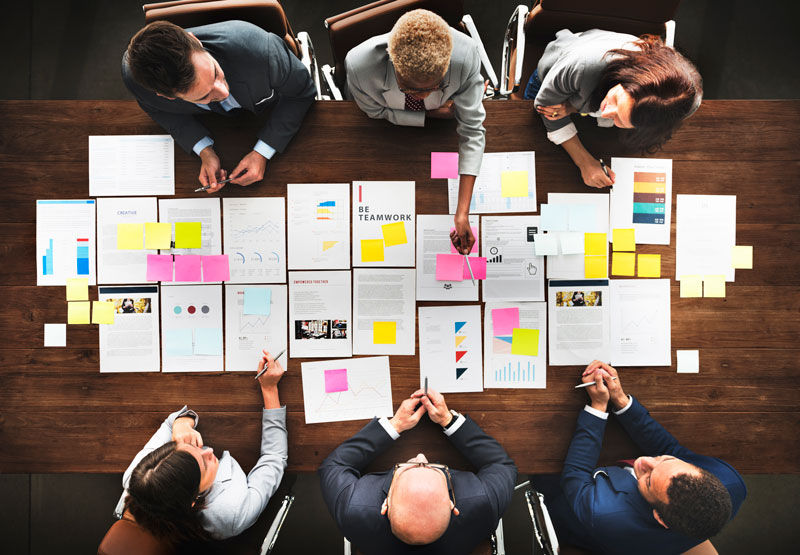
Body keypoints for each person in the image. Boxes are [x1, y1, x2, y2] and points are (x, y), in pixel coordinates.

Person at [533, 360, 745, 554]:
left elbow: (575, 472)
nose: (644, 461)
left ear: (659, 517)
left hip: (581, 521)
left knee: (543, 465)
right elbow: (670, 447)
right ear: (700, 471)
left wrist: (598, 406)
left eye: (649, 480)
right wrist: (620, 400)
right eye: (666, 460)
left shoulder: (604, 513)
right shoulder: (729, 482)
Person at [345, 9, 486, 254]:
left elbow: (473, 131)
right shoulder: (360, 67)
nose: (423, 96)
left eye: (435, 86)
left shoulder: (466, 56)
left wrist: (462, 213)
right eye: (410, 88)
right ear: (392, 62)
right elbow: (374, 112)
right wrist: (428, 114)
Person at [113, 350, 288, 546]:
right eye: (204, 465)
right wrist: (270, 390)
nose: (209, 451)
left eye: (185, 448)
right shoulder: (232, 513)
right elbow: (274, 457)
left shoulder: (140, 477)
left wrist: (182, 424)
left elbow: (171, 423)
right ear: (194, 500)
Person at [122, 20, 316, 193]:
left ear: (195, 41)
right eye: (204, 96)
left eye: (215, 73)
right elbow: (158, 110)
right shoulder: (138, 83)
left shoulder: (260, 51)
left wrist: (262, 152)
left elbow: (302, 91)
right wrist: (205, 151)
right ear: (166, 96)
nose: (223, 92)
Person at [319, 387, 517, 554]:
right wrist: (448, 419)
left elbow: (335, 465)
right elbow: (500, 464)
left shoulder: (355, 509)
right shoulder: (482, 504)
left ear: (385, 504)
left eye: (408, 468)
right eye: (433, 468)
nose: (421, 456)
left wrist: (395, 425)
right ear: (452, 505)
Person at [524, 29, 702, 188]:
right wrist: (585, 163)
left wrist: (573, 109)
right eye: (616, 100)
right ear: (625, 79)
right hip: (554, 77)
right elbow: (545, 107)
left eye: (619, 119)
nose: (606, 113)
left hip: (580, 97)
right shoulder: (583, 64)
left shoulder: (684, 101)